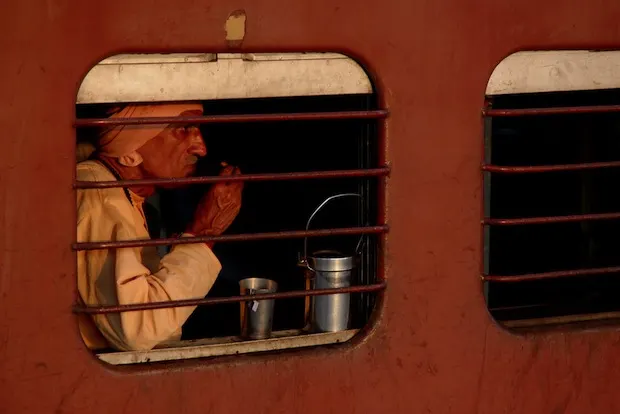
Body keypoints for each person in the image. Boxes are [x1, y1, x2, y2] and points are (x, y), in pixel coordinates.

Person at [76, 103, 243, 352]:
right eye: (183, 129)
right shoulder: (99, 196)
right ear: (131, 148)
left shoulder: (128, 195)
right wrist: (203, 232)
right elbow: (138, 329)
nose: (202, 148)